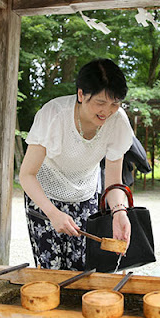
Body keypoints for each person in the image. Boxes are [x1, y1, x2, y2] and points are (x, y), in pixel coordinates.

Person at [19, 59, 135, 270]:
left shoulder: (118, 122)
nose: (107, 111)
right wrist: (53, 213)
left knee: (83, 269)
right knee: (50, 270)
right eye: (100, 102)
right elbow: (26, 175)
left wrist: (120, 212)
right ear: (81, 95)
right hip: (44, 197)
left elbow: (113, 182)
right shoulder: (53, 115)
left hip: (86, 196)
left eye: (115, 104)